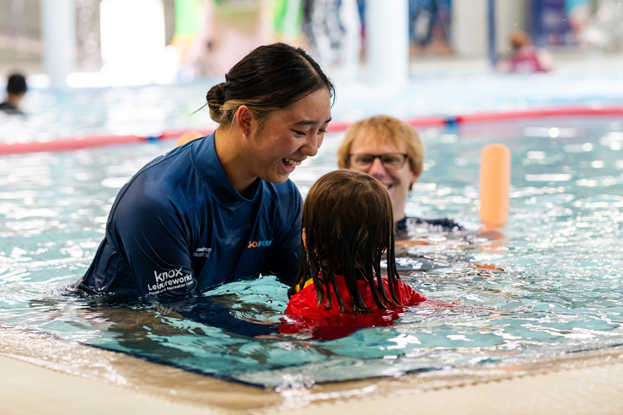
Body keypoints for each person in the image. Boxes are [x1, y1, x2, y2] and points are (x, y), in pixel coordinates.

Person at [78, 43, 334, 303]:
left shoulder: (282, 198)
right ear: (246, 120)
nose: (313, 149)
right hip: (112, 324)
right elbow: (177, 320)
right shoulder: (158, 201)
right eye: (301, 131)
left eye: (322, 130)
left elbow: (300, 291)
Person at [281, 170, 427, 338]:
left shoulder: (307, 302)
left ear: (306, 239)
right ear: (385, 243)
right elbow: (441, 308)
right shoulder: (396, 291)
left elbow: (294, 343)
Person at [336, 115, 461, 240]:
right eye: (364, 159)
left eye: (391, 159)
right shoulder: (324, 236)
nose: (376, 171)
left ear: (414, 171)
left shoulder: (447, 234)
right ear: (345, 171)